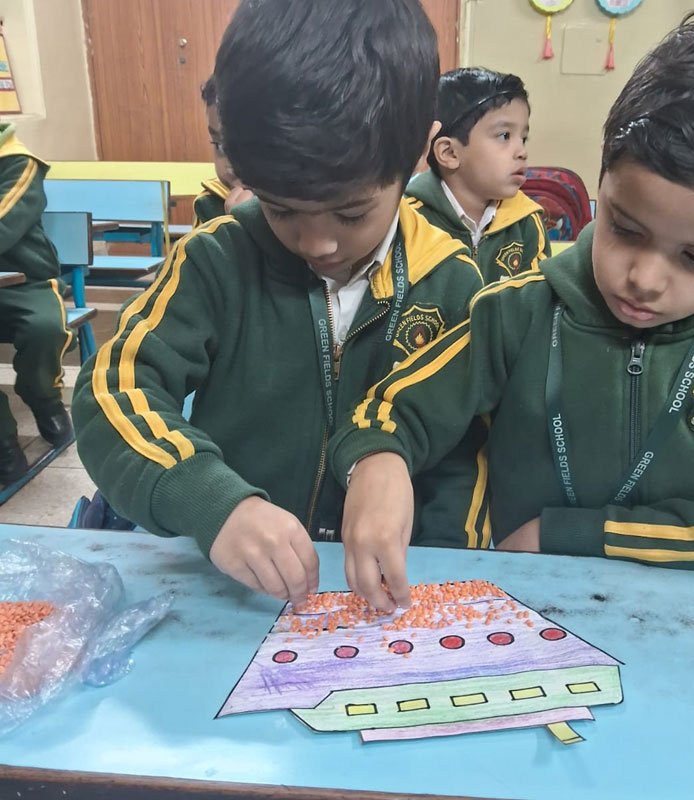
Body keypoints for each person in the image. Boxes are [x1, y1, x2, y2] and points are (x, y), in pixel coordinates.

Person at [330, 16, 694, 611]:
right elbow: (391, 411)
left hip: (687, 616)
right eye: (625, 228)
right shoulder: (515, 311)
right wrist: (377, 463)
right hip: (523, 600)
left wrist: (570, 535)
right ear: (604, 180)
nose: (645, 278)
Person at [73, 0, 486, 606]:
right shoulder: (217, 259)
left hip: (388, 600)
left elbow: (464, 451)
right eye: (280, 208)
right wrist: (211, 501)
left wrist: (445, 563)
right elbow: (114, 391)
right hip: (236, 595)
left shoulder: (451, 283)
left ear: (420, 152)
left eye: (351, 213)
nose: (316, 243)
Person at [406, 68, 550, 284]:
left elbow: (536, 298)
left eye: (523, 138)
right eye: (504, 136)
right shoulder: (408, 219)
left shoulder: (527, 222)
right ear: (450, 153)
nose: (522, 152)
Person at [0, 122, 73, 485]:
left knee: (45, 326)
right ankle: (2, 439)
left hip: (26, 281)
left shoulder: (17, 160)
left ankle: (43, 396)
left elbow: (5, 221)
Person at [193, 75, 254, 225]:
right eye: (219, 145)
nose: (230, 165)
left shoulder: (301, 207)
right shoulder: (208, 205)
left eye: (248, 146)